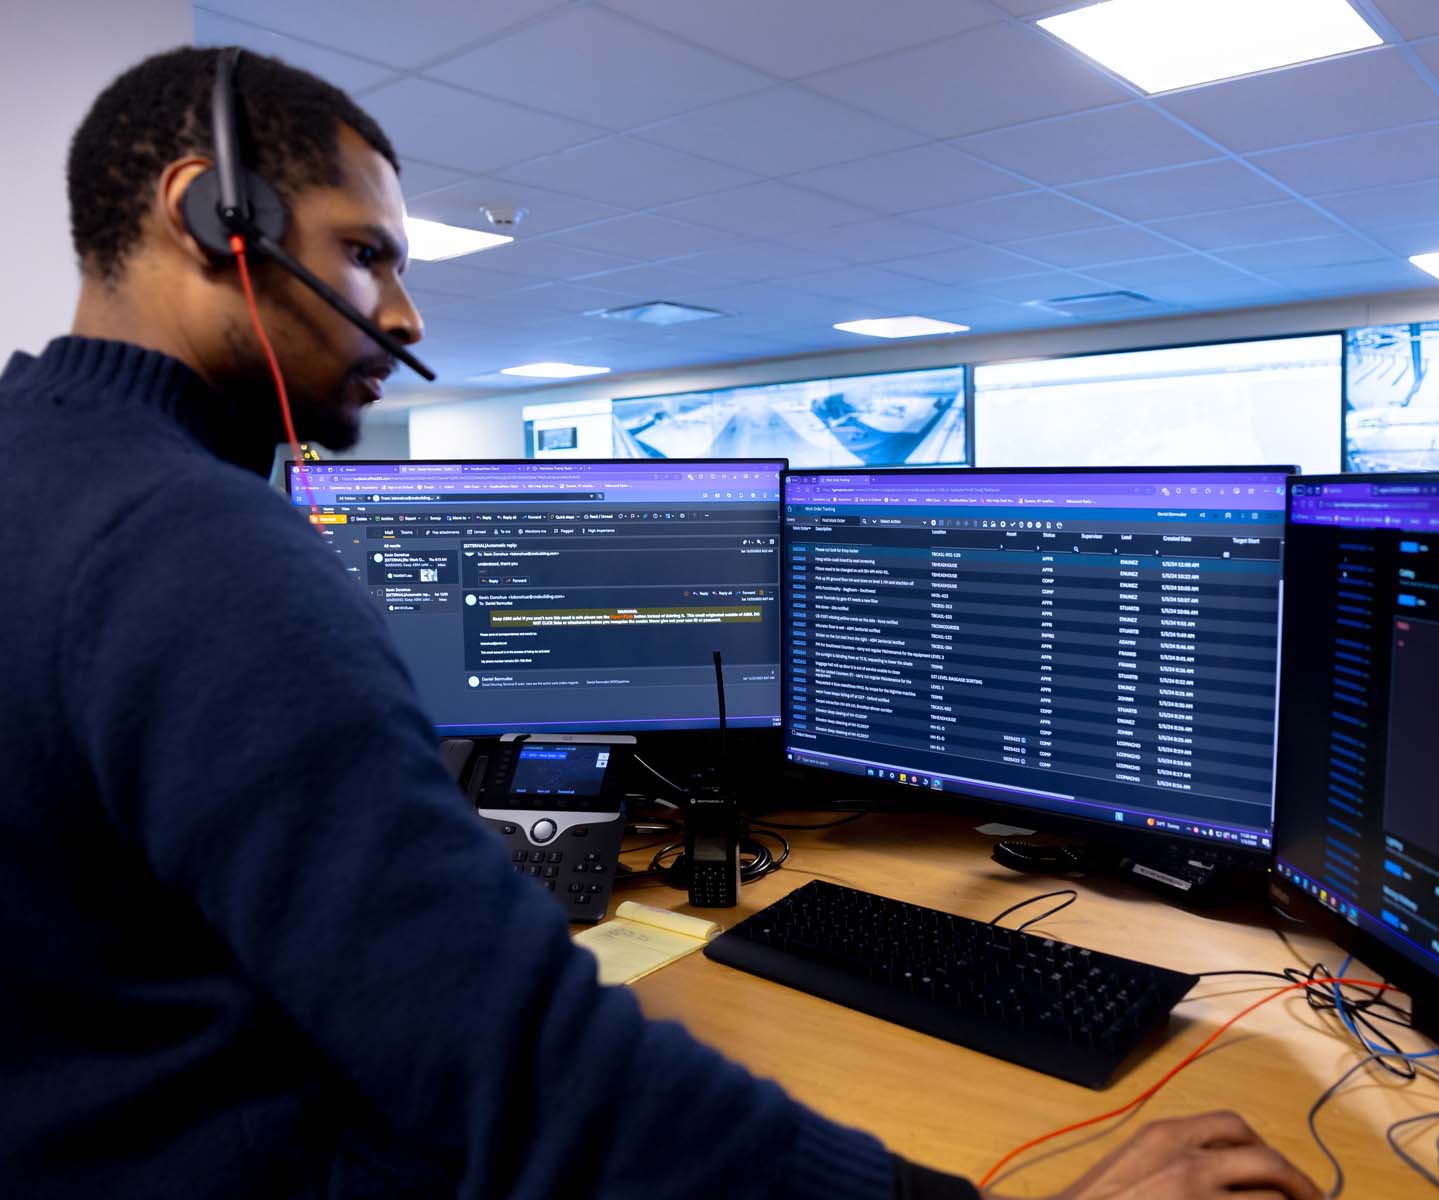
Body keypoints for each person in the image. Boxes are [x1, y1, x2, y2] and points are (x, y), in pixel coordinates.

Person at [0, 46, 1324, 1200]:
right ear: (210, 215)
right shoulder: (197, 550)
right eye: (367, 254)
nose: (405, 317)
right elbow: (535, 1080)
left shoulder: (38, 474)